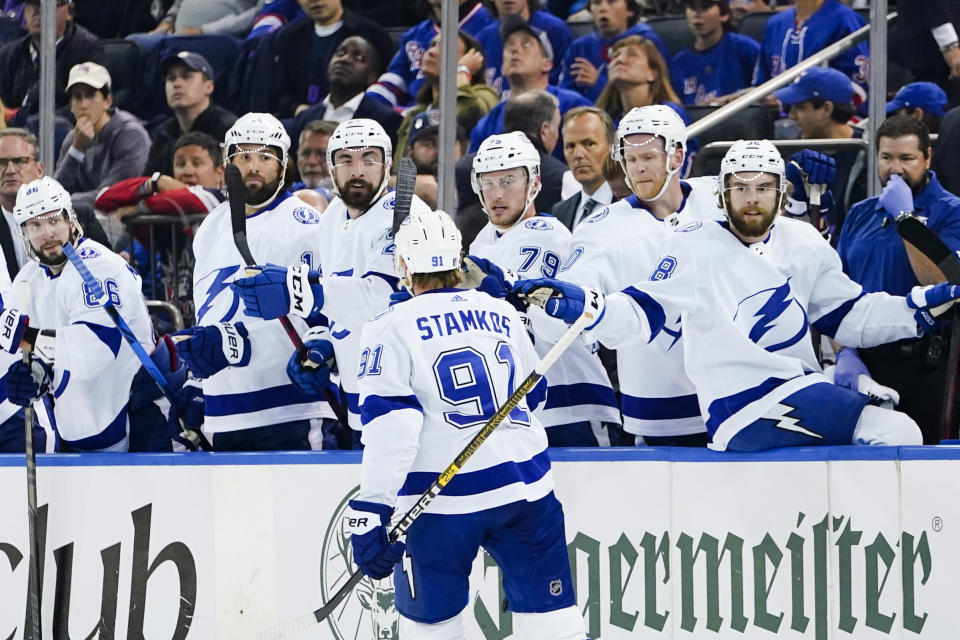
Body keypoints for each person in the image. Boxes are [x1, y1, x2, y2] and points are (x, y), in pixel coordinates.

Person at [516, 139, 955, 452]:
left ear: (781, 194)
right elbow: (642, 311)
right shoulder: (695, 245)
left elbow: (850, 316)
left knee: (896, 426)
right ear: (721, 196)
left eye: (763, 188)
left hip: (799, 390)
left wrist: (922, 307)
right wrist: (586, 309)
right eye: (740, 188)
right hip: (744, 406)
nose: (751, 199)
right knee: (892, 430)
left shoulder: (803, 241)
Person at [347, 207, 588, 640]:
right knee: (553, 626)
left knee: (433, 630)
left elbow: (394, 426)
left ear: (403, 266)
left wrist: (372, 508)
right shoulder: (503, 312)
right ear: (460, 262)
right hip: (525, 489)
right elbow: (536, 395)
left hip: (440, 504)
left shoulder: (388, 326)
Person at [232, 118, 432, 433]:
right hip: (356, 401)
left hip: (407, 402)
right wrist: (321, 345)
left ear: (388, 165)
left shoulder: (407, 214)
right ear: (331, 167)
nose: (358, 171)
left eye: (370, 159)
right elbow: (336, 308)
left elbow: (386, 303)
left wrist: (297, 290)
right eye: (346, 160)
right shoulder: (332, 217)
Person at [544, 105, 721, 446]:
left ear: (677, 154)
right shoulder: (600, 229)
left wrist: (806, 207)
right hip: (661, 414)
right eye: (630, 158)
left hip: (732, 400)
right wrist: (555, 304)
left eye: (650, 157)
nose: (638, 168)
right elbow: (570, 299)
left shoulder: (719, 197)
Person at [173, 113, 331, 451]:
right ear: (228, 165)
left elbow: (323, 313)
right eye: (244, 157)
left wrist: (316, 350)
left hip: (288, 409)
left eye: (265, 157)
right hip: (222, 409)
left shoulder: (305, 224)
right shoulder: (210, 228)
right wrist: (197, 383)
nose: (254, 166)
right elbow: (209, 311)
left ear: (284, 165)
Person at [466, 132, 621, 446]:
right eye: (488, 182)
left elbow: (532, 313)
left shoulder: (547, 234)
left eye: (508, 181)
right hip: (524, 405)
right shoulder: (484, 240)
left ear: (533, 183)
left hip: (572, 400)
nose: (497, 193)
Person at [5, 176, 155, 452]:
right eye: (35, 225)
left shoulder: (98, 267)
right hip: (80, 422)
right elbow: (40, 353)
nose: (47, 233)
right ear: (23, 234)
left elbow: (95, 349)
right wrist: (34, 373)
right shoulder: (27, 279)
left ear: (70, 221)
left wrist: (28, 338)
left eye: (53, 221)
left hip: (138, 412)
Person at [836, 115, 960, 444]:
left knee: (928, 468)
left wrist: (906, 220)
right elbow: (835, 292)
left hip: (928, 365)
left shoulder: (952, 211)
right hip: (867, 362)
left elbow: (945, 284)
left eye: (907, 159)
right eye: (887, 158)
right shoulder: (861, 213)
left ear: (928, 157)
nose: (896, 170)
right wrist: (844, 351)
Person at [468, 14, 591, 157]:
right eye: (509, 45)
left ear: (547, 64)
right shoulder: (491, 119)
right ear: (502, 67)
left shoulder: (571, 105)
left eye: (526, 44)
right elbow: (472, 167)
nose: (514, 50)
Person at [0, 128, 108, 280]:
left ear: (39, 169)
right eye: (1, 162)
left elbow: (104, 270)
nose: (10, 170)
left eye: (19, 161)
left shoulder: (80, 216)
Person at [53, 62, 151, 216]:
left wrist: (65, 202)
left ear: (108, 101)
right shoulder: (73, 139)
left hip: (125, 222)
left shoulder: (131, 135)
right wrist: (76, 151)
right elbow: (56, 191)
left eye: (91, 95)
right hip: (85, 219)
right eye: (77, 97)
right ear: (71, 105)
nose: (84, 104)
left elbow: (113, 194)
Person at [773, 67, 865, 225]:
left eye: (799, 107)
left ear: (827, 108)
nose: (791, 115)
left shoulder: (865, 151)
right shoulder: (793, 149)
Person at [596, 35, 698, 177]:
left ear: (652, 73)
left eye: (632, 55)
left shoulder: (669, 114)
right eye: (615, 56)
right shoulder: (605, 120)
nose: (619, 60)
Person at [391, 30, 497, 166]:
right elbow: (398, 171)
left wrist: (462, 71)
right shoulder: (415, 114)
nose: (431, 52)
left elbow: (466, 112)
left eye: (445, 48)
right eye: (432, 45)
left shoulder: (485, 95)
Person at [273, 0, 394, 118]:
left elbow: (384, 85)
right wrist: (299, 110)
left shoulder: (372, 34)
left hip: (357, 122)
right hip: (304, 123)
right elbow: (280, 92)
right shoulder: (289, 37)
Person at [367, 0, 494, 109]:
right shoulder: (415, 35)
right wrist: (366, 107)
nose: (432, 51)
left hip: (464, 115)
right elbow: (393, 83)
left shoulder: (491, 28)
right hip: (414, 118)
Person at [0, 0, 105, 124]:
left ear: (69, 12)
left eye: (47, 6)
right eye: (31, 5)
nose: (37, 12)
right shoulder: (9, 54)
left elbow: (86, 105)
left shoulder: (87, 49)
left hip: (62, 135)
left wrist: (30, 123)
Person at [289, 35, 400, 145]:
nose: (345, 59)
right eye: (340, 53)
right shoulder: (304, 117)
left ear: (371, 77)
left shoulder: (385, 120)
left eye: (358, 58)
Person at [144, 51, 237, 176]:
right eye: (171, 78)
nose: (177, 84)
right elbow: (147, 179)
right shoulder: (164, 133)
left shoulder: (230, 129)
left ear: (209, 86)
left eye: (186, 76)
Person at [753, 0, 869, 99]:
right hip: (776, 117)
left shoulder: (845, 19)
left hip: (826, 116)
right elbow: (761, 81)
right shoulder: (775, 23)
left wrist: (786, 101)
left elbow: (856, 89)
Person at [559, 0, 668, 103]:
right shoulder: (579, 47)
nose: (603, 8)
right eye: (596, 2)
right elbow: (564, 93)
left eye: (611, 1)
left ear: (630, 10)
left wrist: (599, 84)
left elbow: (661, 89)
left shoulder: (646, 42)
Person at [670, 0, 760, 106]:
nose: (696, 14)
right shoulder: (679, 62)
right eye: (692, 7)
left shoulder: (744, 47)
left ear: (724, 15)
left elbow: (769, 87)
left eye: (705, 6)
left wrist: (736, 98)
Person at [475, 0, 572, 95]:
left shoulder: (556, 31)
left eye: (526, 44)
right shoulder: (483, 38)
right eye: (510, 44)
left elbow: (565, 83)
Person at [552, 107, 616, 230]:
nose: (578, 155)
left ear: (611, 147)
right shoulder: (559, 212)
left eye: (589, 144)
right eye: (570, 146)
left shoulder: (633, 206)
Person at [292, 119, 336, 194]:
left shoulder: (356, 203)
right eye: (305, 153)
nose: (311, 161)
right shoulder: (283, 195)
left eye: (323, 154)